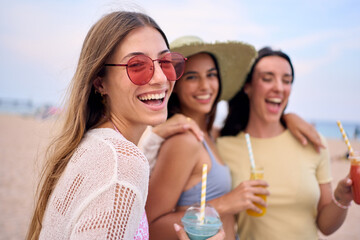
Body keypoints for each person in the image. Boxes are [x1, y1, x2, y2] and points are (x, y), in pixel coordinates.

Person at [26, 11, 194, 240]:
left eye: (165, 62)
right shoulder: (123, 161)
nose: (161, 78)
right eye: (136, 66)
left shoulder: (93, 144)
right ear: (100, 82)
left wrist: (154, 139)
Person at [218, 47, 354, 239]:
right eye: (267, 78)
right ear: (247, 86)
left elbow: (326, 226)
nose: (279, 88)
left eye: (287, 81)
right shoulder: (223, 148)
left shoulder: (313, 142)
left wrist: (342, 197)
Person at [145, 36, 262, 239]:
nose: (205, 85)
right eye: (191, 77)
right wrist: (226, 203)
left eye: (211, 75)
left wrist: (290, 118)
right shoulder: (184, 142)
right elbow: (151, 226)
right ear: (175, 85)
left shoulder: (211, 134)